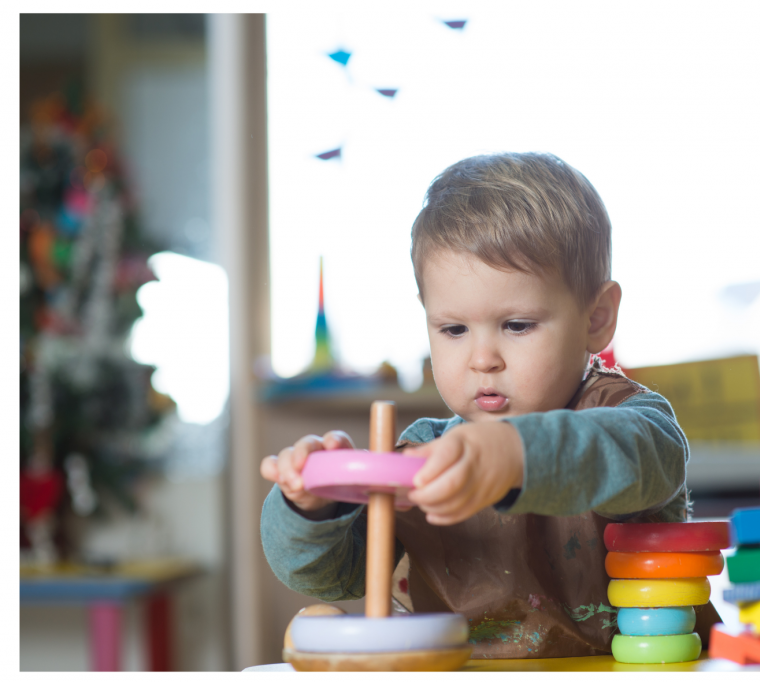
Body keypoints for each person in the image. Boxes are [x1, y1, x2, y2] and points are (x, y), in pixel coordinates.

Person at [260, 152, 715, 658]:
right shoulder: (424, 456)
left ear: (596, 318)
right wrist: (315, 511)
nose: (481, 359)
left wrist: (512, 455)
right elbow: (330, 578)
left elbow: (641, 461)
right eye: (453, 329)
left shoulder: (634, 421)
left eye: (516, 325)